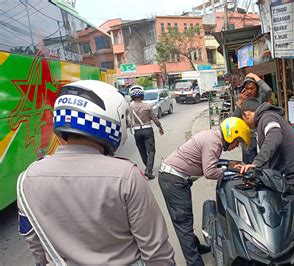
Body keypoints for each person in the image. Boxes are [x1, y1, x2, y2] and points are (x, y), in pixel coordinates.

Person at [17, 80, 175, 265]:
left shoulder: (26, 179)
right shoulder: (126, 175)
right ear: (111, 121)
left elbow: (36, 246)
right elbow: (156, 251)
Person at [158, 117, 250, 266]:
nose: (236, 146)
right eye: (237, 142)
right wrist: (232, 172)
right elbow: (210, 172)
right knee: (184, 224)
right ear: (231, 135)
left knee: (185, 221)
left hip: (173, 177)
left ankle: (195, 247)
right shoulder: (213, 142)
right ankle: (194, 263)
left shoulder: (213, 137)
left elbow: (209, 160)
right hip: (173, 180)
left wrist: (229, 164)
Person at [238, 99, 294, 264]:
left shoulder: (267, 117)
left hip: (293, 179)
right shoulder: (268, 116)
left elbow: (274, 136)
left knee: (291, 228)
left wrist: (256, 163)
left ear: (247, 114)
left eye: (244, 119)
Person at [232, 73, 272, 164]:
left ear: (257, 88)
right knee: (249, 164)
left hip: (261, 134)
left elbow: (268, 90)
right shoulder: (241, 100)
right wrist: (239, 103)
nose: (249, 91)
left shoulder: (261, 98)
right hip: (248, 138)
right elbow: (234, 119)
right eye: (247, 89)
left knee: (264, 161)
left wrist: (255, 76)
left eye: (252, 88)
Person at [128, 85, 164, 180]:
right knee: (151, 150)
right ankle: (148, 170)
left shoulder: (129, 108)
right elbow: (155, 118)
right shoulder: (148, 106)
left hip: (137, 131)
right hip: (147, 130)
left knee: (142, 150)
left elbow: (128, 121)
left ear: (132, 96)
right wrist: (160, 127)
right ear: (142, 95)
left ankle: (148, 168)